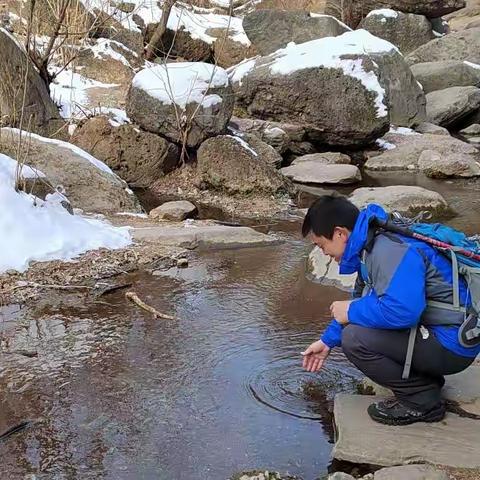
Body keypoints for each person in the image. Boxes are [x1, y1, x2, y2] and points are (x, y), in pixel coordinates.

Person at [301, 195, 479, 425]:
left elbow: (403, 311)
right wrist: (326, 341)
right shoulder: (371, 245)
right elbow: (363, 299)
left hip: (453, 344)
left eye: (321, 245)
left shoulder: (388, 250)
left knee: (354, 339)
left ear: (339, 234)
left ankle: (422, 401)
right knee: (354, 327)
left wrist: (351, 311)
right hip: (445, 333)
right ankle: (426, 380)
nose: (323, 252)